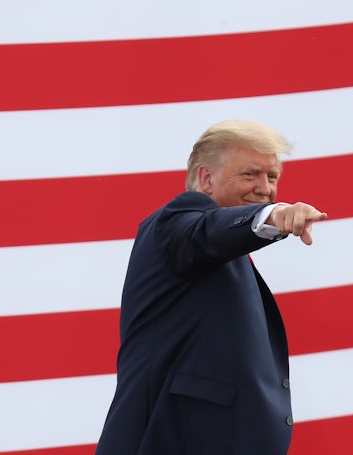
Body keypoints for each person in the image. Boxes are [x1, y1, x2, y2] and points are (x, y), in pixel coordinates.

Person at [94, 120, 327, 455]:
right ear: (206, 178)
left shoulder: (224, 253)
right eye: (250, 174)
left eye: (272, 176)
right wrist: (272, 215)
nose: (265, 188)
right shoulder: (176, 221)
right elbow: (206, 231)